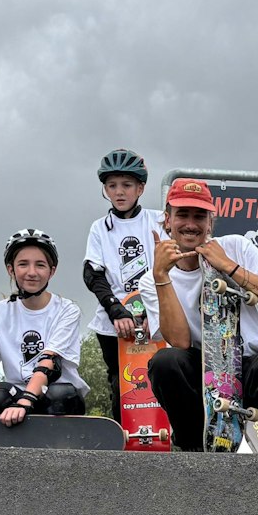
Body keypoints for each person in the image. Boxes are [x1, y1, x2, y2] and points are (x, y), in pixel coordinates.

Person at [145, 178, 258, 451]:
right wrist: (161, 275)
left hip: (250, 367)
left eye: (199, 216)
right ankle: (191, 447)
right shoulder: (152, 278)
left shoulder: (236, 247)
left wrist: (228, 266)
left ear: (210, 223)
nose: (191, 224)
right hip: (203, 373)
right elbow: (179, 341)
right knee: (165, 362)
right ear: (167, 220)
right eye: (182, 214)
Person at [0, 229, 89, 431]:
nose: (31, 272)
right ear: (11, 269)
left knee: (59, 395)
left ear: (52, 271)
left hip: (55, 394)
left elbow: (49, 362)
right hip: (18, 396)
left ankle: (63, 442)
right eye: (23, 264)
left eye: (40, 265)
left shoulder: (67, 310)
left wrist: (26, 401)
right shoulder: (0, 311)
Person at [81, 149, 165, 390]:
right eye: (112, 185)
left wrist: (154, 312)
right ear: (105, 189)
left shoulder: (158, 220)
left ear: (140, 188)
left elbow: (172, 267)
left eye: (127, 185)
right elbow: (93, 274)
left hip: (156, 314)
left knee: (161, 379)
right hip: (115, 322)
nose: (119, 192)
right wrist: (115, 310)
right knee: (122, 384)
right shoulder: (99, 228)